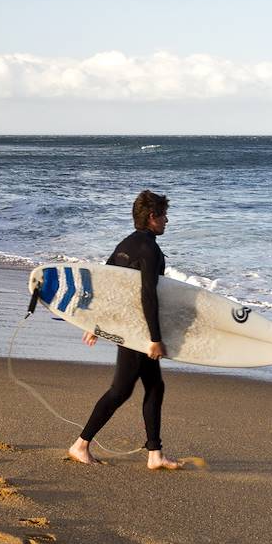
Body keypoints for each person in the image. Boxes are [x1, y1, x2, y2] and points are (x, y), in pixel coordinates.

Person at [68, 190, 182, 470]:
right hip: (137, 330)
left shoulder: (127, 243)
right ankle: (80, 444)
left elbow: (105, 284)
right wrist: (155, 338)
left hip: (129, 325)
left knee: (155, 386)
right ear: (152, 217)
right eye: (164, 216)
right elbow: (148, 295)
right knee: (120, 391)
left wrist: (96, 324)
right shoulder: (150, 249)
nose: (167, 221)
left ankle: (155, 453)